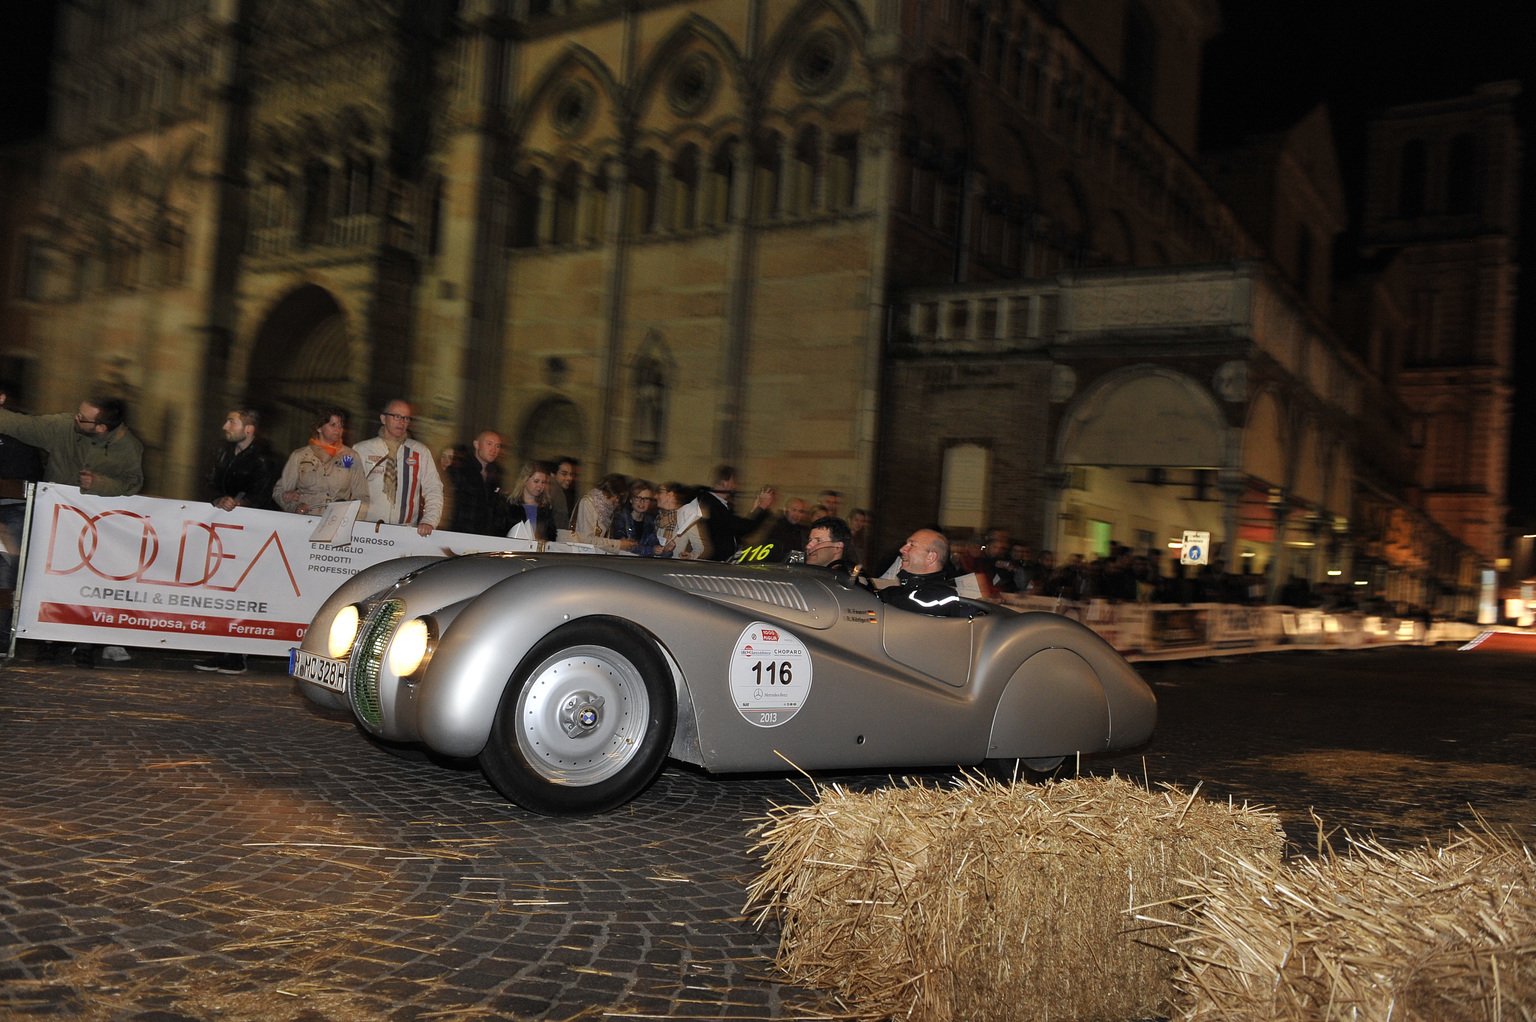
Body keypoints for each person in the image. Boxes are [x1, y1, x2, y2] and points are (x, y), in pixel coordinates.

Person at [355, 399, 443, 536]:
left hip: (404, 532)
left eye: (406, 418)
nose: (401, 422)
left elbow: (434, 489)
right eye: (396, 416)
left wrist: (429, 521)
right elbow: (348, 488)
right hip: (367, 530)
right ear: (383, 418)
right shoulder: (363, 449)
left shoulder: (420, 452)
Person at [0, 384, 44, 639]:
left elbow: (25, 471)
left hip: (12, 510)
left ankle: (3, 636)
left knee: (7, 571)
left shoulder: (20, 427)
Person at [275, 407, 369, 516]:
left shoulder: (350, 456)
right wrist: (294, 506)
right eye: (332, 425)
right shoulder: (301, 456)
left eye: (340, 426)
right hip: (307, 519)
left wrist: (350, 515)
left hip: (336, 521)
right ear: (319, 428)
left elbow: (362, 496)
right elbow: (279, 491)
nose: (338, 430)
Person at [879, 528, 979, 618]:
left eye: (912, 545)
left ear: (930, 557)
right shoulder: (901, 591)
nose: (902, 549)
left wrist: (880, 595)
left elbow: (919, 604)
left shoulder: (943, 596)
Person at [208, 408, 279, 513]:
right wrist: (218, 499)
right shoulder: (221, 450)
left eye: (232, 422)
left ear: (248, 429)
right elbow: (207, 481)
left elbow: (261, 497)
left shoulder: (263, 459)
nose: (225, 426)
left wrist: (240, 503)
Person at [700, 464, 774, 561]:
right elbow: (742, 528)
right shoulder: (713, 505)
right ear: (723, 483)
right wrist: (762, 507)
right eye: (733, 481)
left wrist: (755, 510)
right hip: (716, 562)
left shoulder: (717, 504)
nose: (735, 486)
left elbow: (737, 531)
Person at [447, 430, 512, 536]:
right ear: (477, 444)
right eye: (489, 444)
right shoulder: (459, 469)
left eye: (498, 446)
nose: (493, 450)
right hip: (459, 534)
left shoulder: (496, 474)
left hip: (484, 536)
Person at [572, 473, 636, 552]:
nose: (617, 500)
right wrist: (618, 544)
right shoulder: (587, 503)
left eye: (619, 498)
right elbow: (586, 540)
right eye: (617, 496)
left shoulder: (607, 511)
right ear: (609, 490)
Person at [611, 478, 666, 556]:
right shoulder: (620, 517)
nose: (642, 502)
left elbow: (653, 543)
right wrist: (651, 550)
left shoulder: (649, 521)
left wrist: (664, 549)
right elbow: (624, 546)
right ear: (631, 500)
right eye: (638, 498)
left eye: (646, 499)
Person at [505, 460, 555, 541]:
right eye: (536, 481)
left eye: (543, 482)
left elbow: (551, 535)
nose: (540, 486)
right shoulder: (509, 504)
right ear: (524, 481)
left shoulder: (546, 507)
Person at [656, 482, 705, 559]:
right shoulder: (656, 518)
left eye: (660, 492)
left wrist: (690, 555)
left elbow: (699, 547)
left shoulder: (685, 519)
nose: (656, 496)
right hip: (653, 565)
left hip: (674, 567)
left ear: (670, 495)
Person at [758, 497, 811, 562]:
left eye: (800, 511)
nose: (797, 514)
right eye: (794, 510)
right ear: (785, 510)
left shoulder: (801, 531)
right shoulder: (776, 529)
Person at [550, 456, 580, 532]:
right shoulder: (554, 493)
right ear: (553, 474)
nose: (569, 478)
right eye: (564, 474)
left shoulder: (559, 492)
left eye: (571, 474)